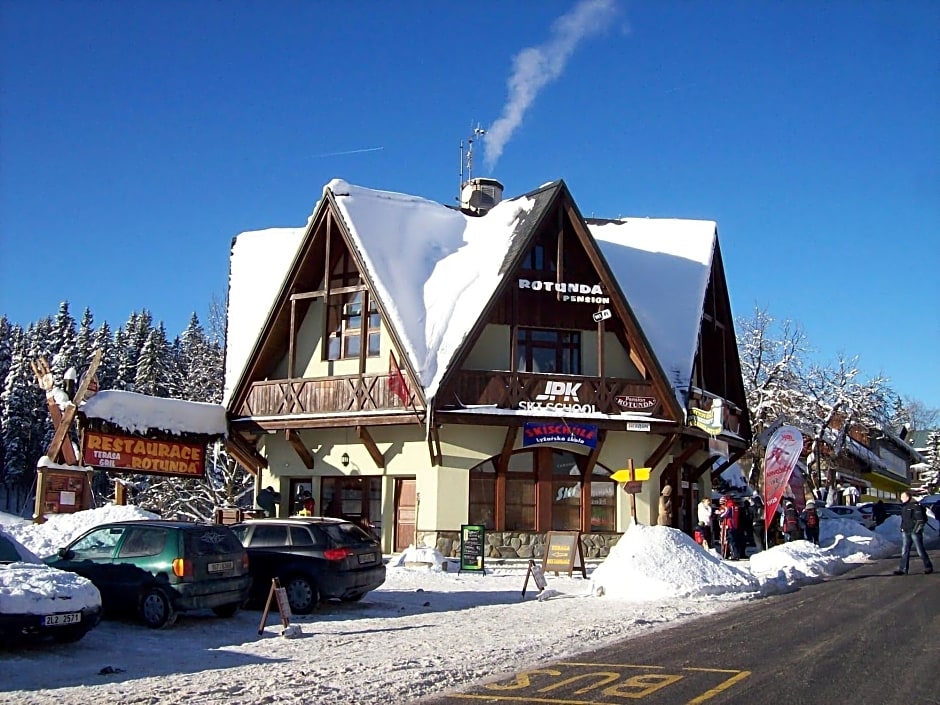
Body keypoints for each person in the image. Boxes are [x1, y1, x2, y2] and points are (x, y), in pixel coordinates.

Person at [893, 491, 933, 575]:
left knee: (920, 550)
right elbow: (905, 519)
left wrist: (916, 530)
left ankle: (928, 567)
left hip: (914, 532)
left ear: (908, 497)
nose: (901, 498)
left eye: (902, 497)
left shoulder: (915, 506)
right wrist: (902, 528)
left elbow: (920, 520)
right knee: (905, 551)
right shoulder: (904, 506)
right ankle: (903, 569)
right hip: (906, 531)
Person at [718, 496, 741, 560]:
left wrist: (720, 515)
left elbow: (727, 513)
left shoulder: (729, 505)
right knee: (734, 540)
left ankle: (734, 555)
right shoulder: (735, 505)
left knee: (731, 540)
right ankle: (736, 554)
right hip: (734, 524)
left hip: (730, 524)